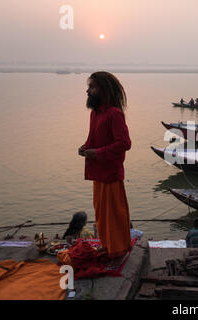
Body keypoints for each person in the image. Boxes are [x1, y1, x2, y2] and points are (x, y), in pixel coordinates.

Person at [79, 71, 132, 259]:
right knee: (101, 214)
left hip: (110, 173)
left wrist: (98, 153)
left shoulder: (114, 114)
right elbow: (95, 139)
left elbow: (124, 144)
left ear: (103, 90)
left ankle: (117, 249)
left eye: (92, 87)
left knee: (113, 215)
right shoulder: (95, 114)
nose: (88, 91)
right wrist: (86, 147)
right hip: (98, 172)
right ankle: (107, 245)